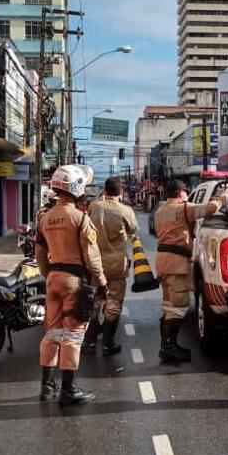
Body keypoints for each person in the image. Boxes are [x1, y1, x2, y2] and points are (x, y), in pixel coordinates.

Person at [35, 165, 107, 405]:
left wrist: (49, 274)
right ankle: (68, 390)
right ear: (76, 187)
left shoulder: (44, 219)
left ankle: (47, 387)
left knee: (52, 333)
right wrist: (102, 283)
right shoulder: (80, 218)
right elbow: (92, 258)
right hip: (74, 281)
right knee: (73, 335)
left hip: (53, 280)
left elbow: (40, 255)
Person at [153, 179, 224, 362]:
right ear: (180, 193)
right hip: (177, 263)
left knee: (168, 304)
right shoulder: (183, 208)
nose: (186, 194)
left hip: (163, 261)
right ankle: (169, 347)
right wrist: (223, 198)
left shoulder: (160, 210)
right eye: (185, 191)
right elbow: (209, 209)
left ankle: (166, 345)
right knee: (178, 305)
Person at [83, 178, 138, 356]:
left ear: (104, 191)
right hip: (116, 265)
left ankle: (90, 342)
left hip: (95, 264)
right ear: (120, 192)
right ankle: (107, 344)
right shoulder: (124, 210)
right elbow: (133, 229)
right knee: (113, 302)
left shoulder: (94, 206)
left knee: (95, 302)